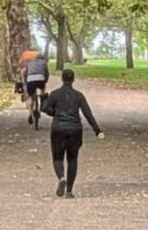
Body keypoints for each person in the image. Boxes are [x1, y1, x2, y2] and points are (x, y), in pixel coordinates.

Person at [41, 69, 102, 198]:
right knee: (72, 159)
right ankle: (69, 191)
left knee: (57, 157)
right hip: (75, 129)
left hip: (58, 129)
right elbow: (87, 113)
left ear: (62, 79)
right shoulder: (79, 96)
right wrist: (97, 130)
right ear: (73, 79)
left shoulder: (55, 94)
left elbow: (47, 110)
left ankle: (61, 177)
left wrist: (45, 101)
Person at [23, 51, 51, 128]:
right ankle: (42, 98)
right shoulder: (44, 63)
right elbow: (46, 74)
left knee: (30, 96)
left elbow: (25, 73)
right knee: (43, 88)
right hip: (40, 79)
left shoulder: (30, 63)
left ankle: (29, 113)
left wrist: (26, 82)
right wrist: (45, 81)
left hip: (30, 80)